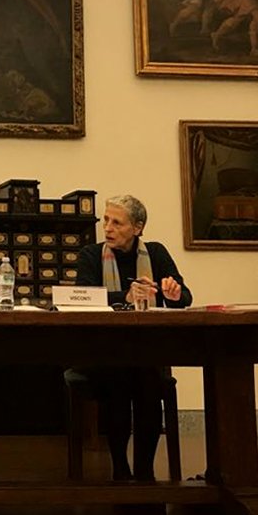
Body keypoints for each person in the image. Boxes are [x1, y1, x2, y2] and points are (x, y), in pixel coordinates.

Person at [74, 195, 192, 483]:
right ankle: (120, 469)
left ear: (137, 228)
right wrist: (124, 297)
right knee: (119, 379)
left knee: (147, 381)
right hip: (102, 351)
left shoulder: (156, 253)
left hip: (146, 351)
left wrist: (172, 293)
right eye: (106, 220)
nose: (108, 228)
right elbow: (82, 299)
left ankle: (145, 471)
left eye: (117, 223)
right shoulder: (91, 255)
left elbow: (184, 297)